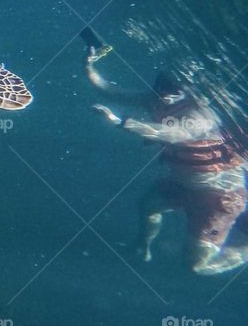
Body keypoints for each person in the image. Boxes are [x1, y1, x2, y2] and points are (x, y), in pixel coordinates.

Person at [85, 47, 248, 275]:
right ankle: (143, 246)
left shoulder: (201, 116)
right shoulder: (155, 99)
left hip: (218, 199)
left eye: (174, 90)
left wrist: (119, 122)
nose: (166, 94)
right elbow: (112, 92)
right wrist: (90, 68)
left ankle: (245, 249)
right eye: (162, 87)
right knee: (148, 207)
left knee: (195, 265)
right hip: (181, 185)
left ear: (187, 90)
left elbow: (170, 133)